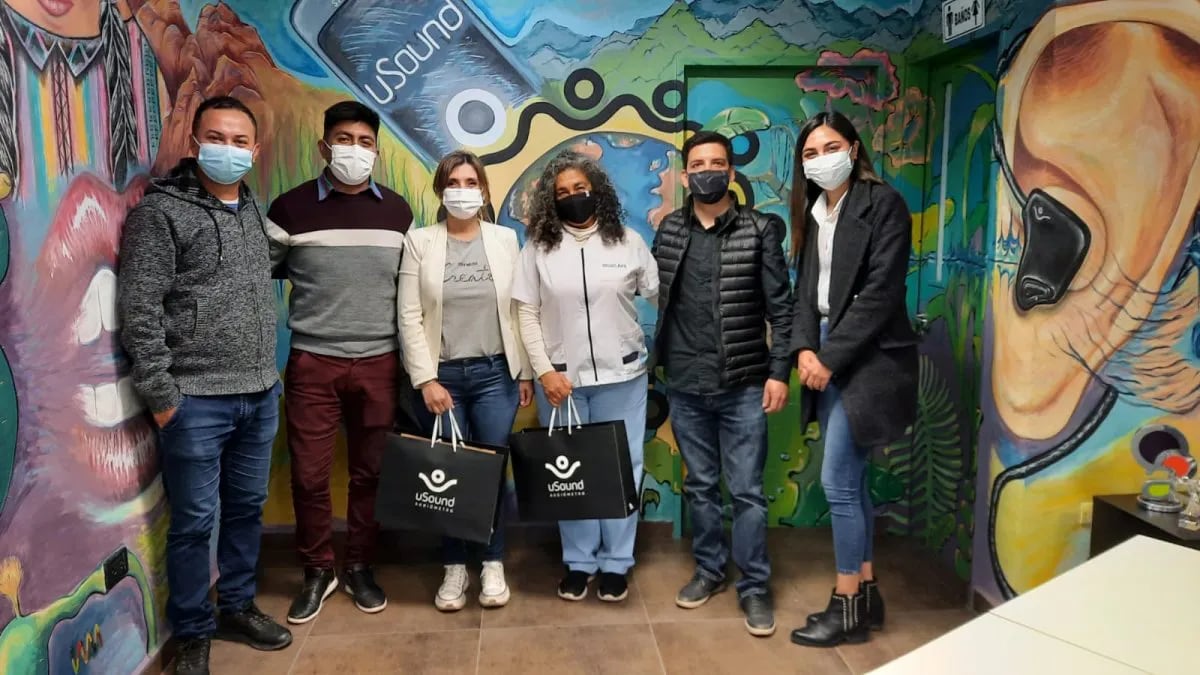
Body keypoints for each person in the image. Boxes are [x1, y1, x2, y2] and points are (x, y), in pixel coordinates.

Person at [117, 95, 292, 675]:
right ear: (195, 144)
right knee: (194, 521)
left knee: (246, 508)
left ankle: (238, 605)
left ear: (255, 150)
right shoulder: (160, 212)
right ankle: (193, 630)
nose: (230, 150)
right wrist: (163, 399)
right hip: (194, 401)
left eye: (241, 141)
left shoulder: (249, 209)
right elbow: (139, 310)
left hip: (259, 392)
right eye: (217, 138)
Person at [264, 101, 414, 624]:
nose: (355, 149)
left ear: (377, 149)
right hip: (313, 362)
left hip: (380, 361)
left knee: (371, 474)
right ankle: (317, 571)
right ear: (324, 146)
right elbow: (261, 276)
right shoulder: (288, 210)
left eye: (365, 141)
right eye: (344, 139)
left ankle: (358, 566)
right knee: (308, 475)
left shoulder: (399, 212)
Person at [652, 130, 793, 637]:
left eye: (717, 162)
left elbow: (782, 307)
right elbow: (657, 296)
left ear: (731, 173)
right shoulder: (669, 229)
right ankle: (710, 571)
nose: (707, 170)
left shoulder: (760, 230)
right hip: (687, 384)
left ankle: (755, 586)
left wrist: (780, 373)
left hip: (745, 385)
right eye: (697, 163)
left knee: (749, 492)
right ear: (686, 174)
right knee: (701, 487)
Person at [786, 111, 918, 648]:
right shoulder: (816, 212)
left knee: (838, 481)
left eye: (831, 147)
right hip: (828, 357)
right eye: (810, 153)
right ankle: (867, 592)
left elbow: (880, 296)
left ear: (855, 149)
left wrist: (828, 357)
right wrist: (802, 349)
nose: (821, 160)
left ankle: (844, 606)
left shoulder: (883, 204)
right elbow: (804, 293)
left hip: (869, 362)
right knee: (854, 480)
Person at [512, 151, 659, 603]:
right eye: (562, 193)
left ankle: (616, 563)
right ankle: (579, 562)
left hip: (623, 377)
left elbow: (653, 289)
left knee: (621, 469)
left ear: (597, 190)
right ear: (549, 203)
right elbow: (526, 314)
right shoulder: (538, 248)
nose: (574, 197)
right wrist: (543, 372)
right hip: (562, 383)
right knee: (571, 470)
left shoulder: (628, 241)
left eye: (580, 188)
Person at [398, 150, 532, 611]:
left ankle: (492, 563)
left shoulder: (504, 240)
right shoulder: (419, 242)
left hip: (496, 374)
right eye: (453, 181)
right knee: (449, 474)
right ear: (440, 190)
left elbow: (518, 310)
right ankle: (454, 566)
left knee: (490, 469)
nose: (462, 189)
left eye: (471, 182)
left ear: (484, 190)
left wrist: (526, 371)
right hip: (443, 378)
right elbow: (410, 316)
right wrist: (425, 380)